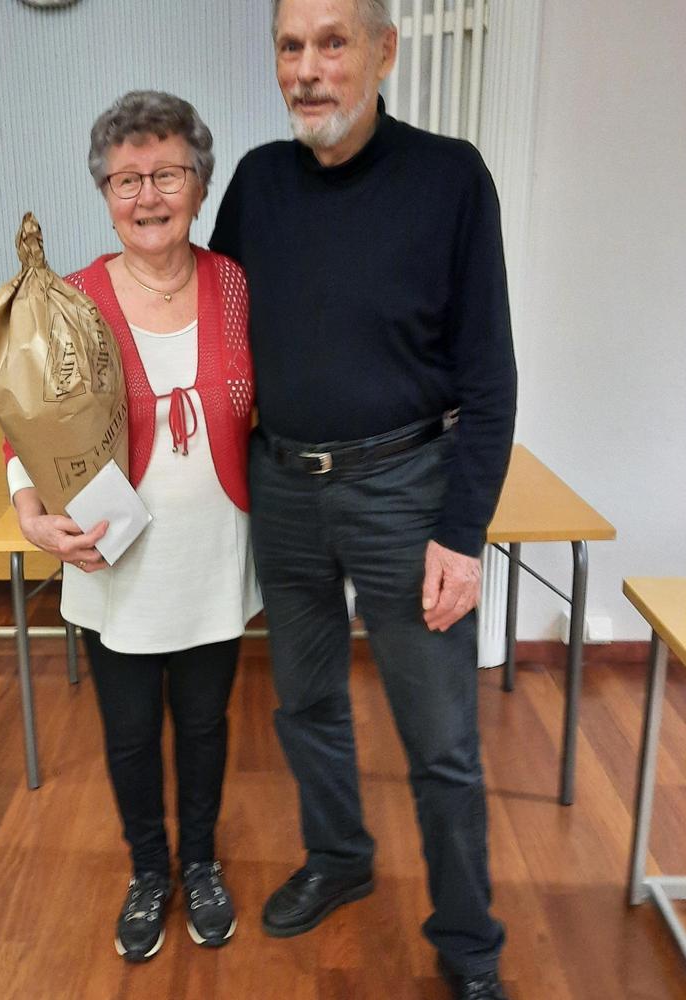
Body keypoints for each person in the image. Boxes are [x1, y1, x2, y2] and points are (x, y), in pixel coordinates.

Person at [209, 1, 516, 998]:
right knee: (305, 703)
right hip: (284, 488)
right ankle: (339, 856)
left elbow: (490, 372)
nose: (308, 68)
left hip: (406, 492)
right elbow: (215, 337)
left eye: (332, 42)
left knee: (441, 742)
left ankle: (468, 943)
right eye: (290, 46)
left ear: (383, 52)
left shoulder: (449, 177)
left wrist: (462, 533)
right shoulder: (257, 182)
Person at [4, 90, 261, 964]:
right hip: (113, 559)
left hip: (213, 549)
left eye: (167, 175)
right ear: (105, 192)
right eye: (127, 180)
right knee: (128, 733)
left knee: (205, 725)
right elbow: (25, 422)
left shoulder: (235, 284)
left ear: (199, 183)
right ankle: (150, 871)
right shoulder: (70, 299)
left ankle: (203, 863)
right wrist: (31, 515)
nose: (148, 196)